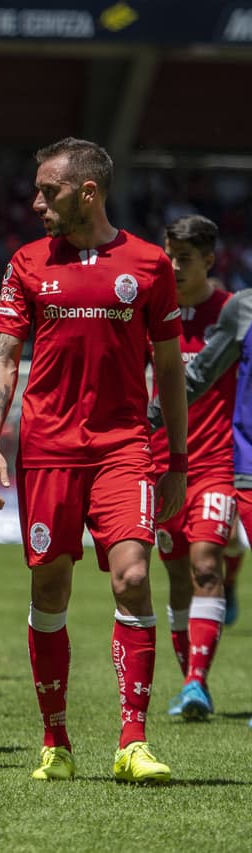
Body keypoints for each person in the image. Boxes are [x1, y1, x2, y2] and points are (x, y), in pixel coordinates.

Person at [0, 137, 186, 784]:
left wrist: (177, 460)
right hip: (48, 451)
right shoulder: (26, 262)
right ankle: (56, 740)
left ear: (87, 192)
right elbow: (5, 357)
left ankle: (133, 740)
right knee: (50, 588)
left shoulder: (149, 264)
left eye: (49, 191)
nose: (37, 202)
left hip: (125, 448)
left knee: (132, 578)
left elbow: (170, 369)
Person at [147, 218, 252, 730]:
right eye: (169, 255)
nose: (173, 266)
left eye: (184, 258)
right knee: (176, 578)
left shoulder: (233, 313)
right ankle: (193, 681)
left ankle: (195, 680)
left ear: (209, 261)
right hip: (159, 464)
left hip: (216, 464)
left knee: (204, 564)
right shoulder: (150, 312)